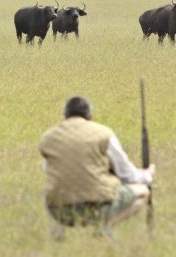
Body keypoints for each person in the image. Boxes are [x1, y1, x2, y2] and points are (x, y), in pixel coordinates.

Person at [39, 96, 156, 239]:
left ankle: (59, 234)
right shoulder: (103, 134)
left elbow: (49, 171)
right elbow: (127, 174)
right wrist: (147, 175)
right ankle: (104, 227)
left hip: (57, 210)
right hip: (97, 207)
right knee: (143, 192)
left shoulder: (48, 137)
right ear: (90, 116)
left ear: (64, 116)